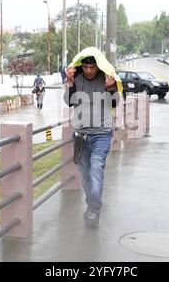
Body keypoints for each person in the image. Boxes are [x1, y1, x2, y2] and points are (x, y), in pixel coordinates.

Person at [63, 47, 122, 228]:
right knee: (86, 175)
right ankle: (92, 206)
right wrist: (70, 83)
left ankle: (94, 209)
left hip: (101, 134)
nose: (89, 70)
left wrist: (111, 88)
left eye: (92, 67)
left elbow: (115, 102)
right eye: (86, 67)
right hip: (80, 136)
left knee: (96, 170)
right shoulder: (77, 79)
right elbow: (69, 101)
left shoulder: (106, 79)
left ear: (98, 67)